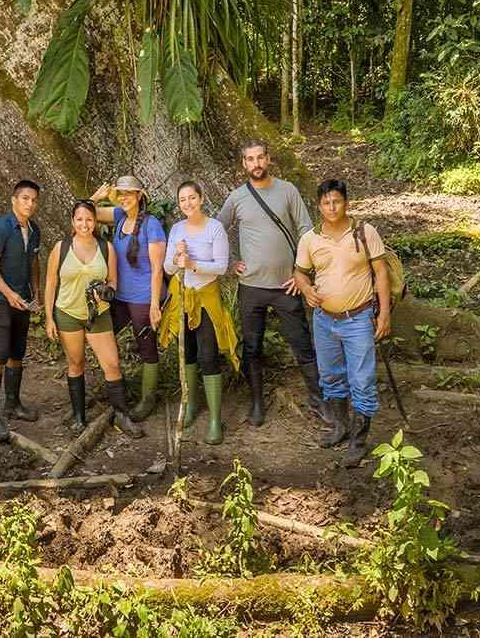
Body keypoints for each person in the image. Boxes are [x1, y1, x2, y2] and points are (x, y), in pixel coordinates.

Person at [215, 140, 329, 428]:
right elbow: (216, 229)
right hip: (251, 287)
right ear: (244, 164)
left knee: (302, 345)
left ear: (269, 159)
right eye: (250, 159)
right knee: (252, 348)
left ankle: (319, 402)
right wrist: (230, 263)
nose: (256, 164)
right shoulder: (238, 197)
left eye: (260, 158)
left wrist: (300, 272)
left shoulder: (287, 190)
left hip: (286, 286)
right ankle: (256, 403)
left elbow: (306, 230)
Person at [292, 178, 394, 466]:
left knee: (362, 380)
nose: (332, 206)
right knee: (331, 376)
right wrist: (306, 289)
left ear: (346, 203)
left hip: (358, 318)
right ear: (319, 206)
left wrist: (383, 313)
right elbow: (299, 273)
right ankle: (341, 427)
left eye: (336, 201)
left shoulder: (364, 232)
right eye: (326, 202)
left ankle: (358, 442)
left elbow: (381, 274)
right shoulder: (310, 239)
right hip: (324, 321)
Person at [42, 199, 136, 431]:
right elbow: (51, 284)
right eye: (80, 219)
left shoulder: (106, 248)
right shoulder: (61, 248)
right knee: (76, 363)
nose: (85, 224)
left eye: (89, 219)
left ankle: (121, 416)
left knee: (112, 365)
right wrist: (49, 317)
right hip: (68, 313)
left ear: (95, 221)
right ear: (73, 221)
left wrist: (105, 293)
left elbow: (113, 280)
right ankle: (78, 417)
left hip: (99, 314)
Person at [163, 179, 238, 444]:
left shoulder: (215, 229)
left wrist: (192, 263)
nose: (187, 203)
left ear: (201, 198)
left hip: (206, 298)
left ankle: (216, 420)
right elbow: (168, 268)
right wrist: (176, 259)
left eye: (192, 198)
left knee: (208, 355)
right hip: (183, 298)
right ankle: (191, 404)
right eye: (182, 200)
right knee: (188, 354)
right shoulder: (176, 230)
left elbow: (220, 267)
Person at [93, 175, 166, 422]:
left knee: (146, 346)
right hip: (119, 296)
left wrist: (155, 304)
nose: (124, 198)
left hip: (143, 297)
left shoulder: (151, 224)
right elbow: (85, 215)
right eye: (120, 194)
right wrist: (97, 197)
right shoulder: (119, 216)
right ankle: (116, 385)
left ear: (139, 196)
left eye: (128, 193)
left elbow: (158, 269)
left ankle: (147, 399)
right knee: (103, 334)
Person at [0, 178, 45, 441]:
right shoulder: (0, 228)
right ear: (14, 200)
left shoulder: (34, 229)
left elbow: (34, 263)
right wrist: (9, 294)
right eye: (25, 198)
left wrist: (36, 293)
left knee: (17, 351)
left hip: (23, 299)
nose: (30, 203)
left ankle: (13, 404)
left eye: (34, 200)